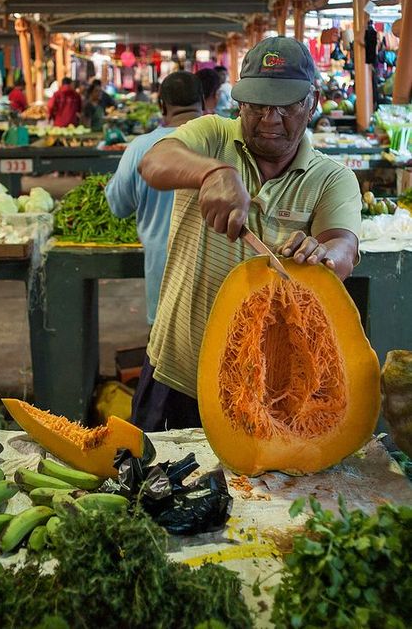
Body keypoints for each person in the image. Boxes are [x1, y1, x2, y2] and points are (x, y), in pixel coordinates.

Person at [133, 36, 362, 432]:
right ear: (239, 103)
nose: (270, 120)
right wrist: (213, 172)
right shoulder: (212, 135)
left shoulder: (332, 177)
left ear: (313, 101)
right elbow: (154, 161)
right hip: (177, 372)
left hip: (269, 386)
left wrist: (323, 256)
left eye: (286, 106)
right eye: (256, 105)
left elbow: (343, 246)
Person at [105, 71, 204, 327]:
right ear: (204, 100)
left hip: (163, 272)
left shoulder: (141, 148)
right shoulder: (226, 141)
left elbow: (118, 206)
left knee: (164, 355)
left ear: (162, 105)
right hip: (218, 273)